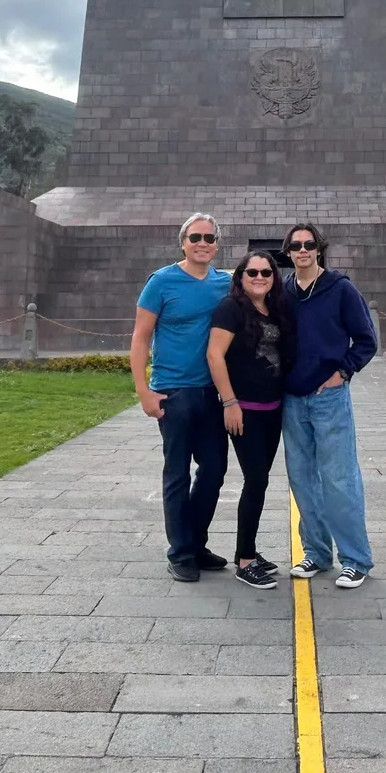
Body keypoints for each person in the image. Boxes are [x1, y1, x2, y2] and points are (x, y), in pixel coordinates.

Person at [130, 214, 231, 582]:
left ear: (217, 244)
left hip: (212, 392)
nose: (202, 243)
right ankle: (180, 553)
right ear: (183, 242)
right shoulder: (161, 281)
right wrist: (143, 390)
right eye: (195, 237)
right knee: (177, 473)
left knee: (214, 470)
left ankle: (195, 544)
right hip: (173, 392)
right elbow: (141, 337)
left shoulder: (225, 283)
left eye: (209, 238)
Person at [280, 221, 377, 589]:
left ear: (319, 249)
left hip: (329, 398)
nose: (303, 251)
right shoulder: (283, 291)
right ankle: (317, 553)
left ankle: (355, 559)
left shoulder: (341, 289)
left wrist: (343, 373)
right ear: (288, 252)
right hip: (292, 399)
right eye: (296, 246)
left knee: (339, 478)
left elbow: (366, 340)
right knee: (302, 479)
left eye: (309, 245)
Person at [207, 251, 295, 589]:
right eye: (252, 272)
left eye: (266, 272)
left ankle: (250, 551)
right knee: (255, 480)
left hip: (273, 408)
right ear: (240, 277)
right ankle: (245, 560)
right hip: (244, 410)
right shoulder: (230, 308)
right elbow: (214, 355)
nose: (260, 277)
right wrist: (229, 402)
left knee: (260, 481)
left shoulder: (274, 308)